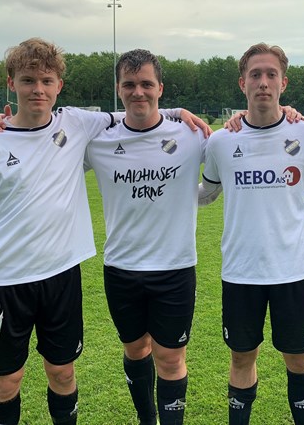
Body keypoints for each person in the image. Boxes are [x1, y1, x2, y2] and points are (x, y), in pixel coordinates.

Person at [0, 38, 208, 425]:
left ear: (59, 85)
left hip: (63, 276)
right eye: (28, 80)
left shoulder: (76, 124)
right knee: (7, 381)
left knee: (63, 373)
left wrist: (178, 112)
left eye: (47, 80)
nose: (38, 89)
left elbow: (139, 109)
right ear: (11, 83)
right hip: (6, 280)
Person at [200, 42, 304, 425]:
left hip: (293, 270)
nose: (263, 82)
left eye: (271, 74)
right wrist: (157, 196)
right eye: (255, 75)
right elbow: (208, 193)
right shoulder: (220, 141)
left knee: (298, 358)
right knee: (241, 357)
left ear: (283, 82)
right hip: (240, 272)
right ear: (242, 83)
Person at [84, 48, 218, 425]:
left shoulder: (192, 135)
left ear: (160, 87)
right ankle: (147, 419)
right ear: (118, 89)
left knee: (171, 358)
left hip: (175, 268)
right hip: (121, 268)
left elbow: (229, 162)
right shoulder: (98, 142)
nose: (138, 92)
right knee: (136, 350)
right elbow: (48, 146)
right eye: (129, 84)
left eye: (146, 84)